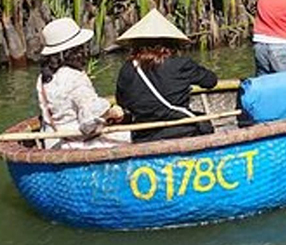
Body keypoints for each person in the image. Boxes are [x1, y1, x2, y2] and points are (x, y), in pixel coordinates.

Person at [115, 9, 219, 142]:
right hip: (183, 132)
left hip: (144, 136)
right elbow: (211, 81)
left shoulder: (126, 70)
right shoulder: (181, 64)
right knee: (203, 123)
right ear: (171, 42)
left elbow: (122, 102)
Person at [35, 18, 127, 149]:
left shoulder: (42, 78)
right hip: (76, 142)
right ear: (75, 50)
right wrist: (110, 113)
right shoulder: (75, 77)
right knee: (130, 136)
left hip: (51, 141)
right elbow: (88, 123)